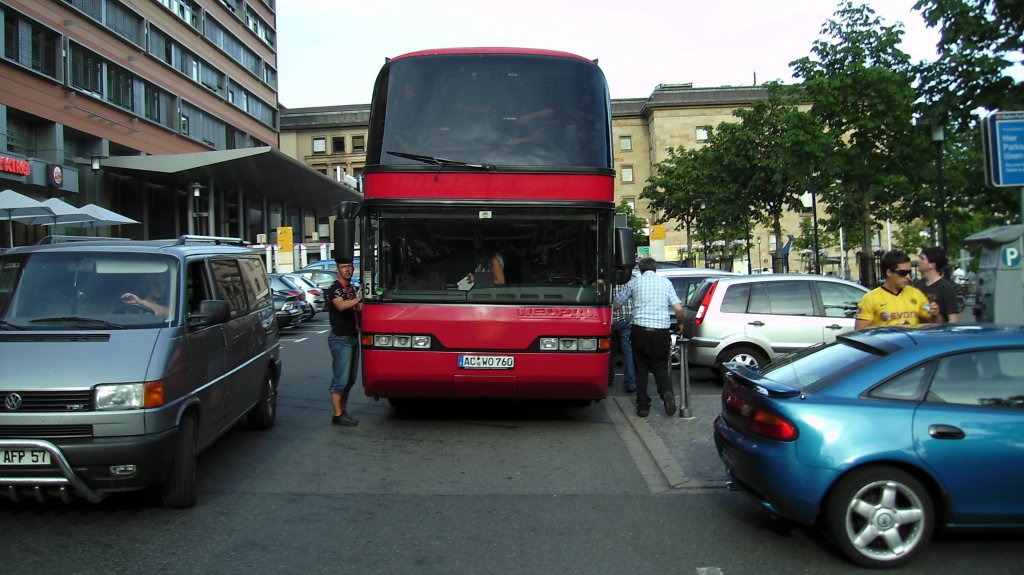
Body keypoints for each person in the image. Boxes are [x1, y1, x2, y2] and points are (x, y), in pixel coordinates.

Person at [614, 258, 683, 417]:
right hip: (661, 332)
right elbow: (678, 309)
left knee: (641, 369)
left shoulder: (634, 283)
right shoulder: (666, 283)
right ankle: (666, 393)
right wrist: (680, 323)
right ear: (656, 269)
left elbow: (617, 304)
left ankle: (643, 406)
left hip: (640, 330)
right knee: (660, 366)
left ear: (641, 269)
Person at [854, 249, 941, 329]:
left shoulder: (916, 294)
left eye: (909, 272)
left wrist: (935, 315)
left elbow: (932, 325)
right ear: (889, 272)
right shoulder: (870, 299)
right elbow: (861, 334)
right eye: (903, 273)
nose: (908, 277)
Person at [327, 258, 362, 426]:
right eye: (343, 267)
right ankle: (337, 414)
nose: (347, 270)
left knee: (350, 379)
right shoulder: (335, 288)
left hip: (353, 336)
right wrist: (358, 299)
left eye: (349, 267)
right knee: (340, 379)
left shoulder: (351, 288)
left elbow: (357, 308)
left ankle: (342, 410)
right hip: (340, 338)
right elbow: (341, 306)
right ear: (338, 270)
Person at [913, 246, 960, 323]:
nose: (918, 261)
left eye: (922, 258)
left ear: (932, 265)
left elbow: (954, 319)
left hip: (937, 333)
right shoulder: (917, 285)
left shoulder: (946, 288)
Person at [611, 273, 638, 393]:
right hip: (626, 320)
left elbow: (615, 304)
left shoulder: (605, 278)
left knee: (610, 352)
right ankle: (630, 383)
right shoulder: (632, 280)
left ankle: (608, 379)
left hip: (609, 321)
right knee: (628, 352)